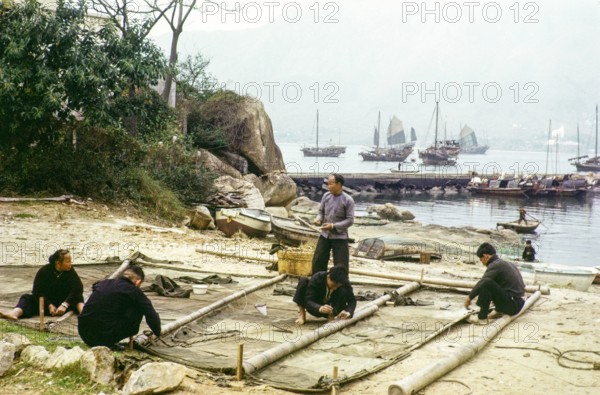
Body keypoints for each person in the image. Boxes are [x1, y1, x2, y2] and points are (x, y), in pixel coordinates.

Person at [78, 265, 161, 348]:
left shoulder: (103, 283)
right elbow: (151, 314)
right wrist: (158, 332)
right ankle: (113, 341)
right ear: (138, 282)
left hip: (84, 331)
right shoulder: (134, 291)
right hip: (103, 337)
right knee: (139, 306)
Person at [0, 249, 84, 320]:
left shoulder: (70, 271)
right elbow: (37, 292)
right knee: (26, 298)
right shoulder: (44, 271)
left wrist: (65, 304)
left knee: (78, 297)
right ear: (58, 263)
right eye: (68, 262)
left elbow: (78, 288)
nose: (70, 264)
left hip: (64, 303)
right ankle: (14, 313)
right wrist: (49, 305)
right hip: (46, 304)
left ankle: (85, 315)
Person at [464, 243, 526, 325]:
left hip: (513, 306)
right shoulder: (506, 263)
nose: (480, 261)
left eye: (480, 258)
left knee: (486, 283)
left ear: (486, 256)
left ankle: (482, 318)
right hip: (518, 302)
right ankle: (499, 310)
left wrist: (469, 297)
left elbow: (484, 281)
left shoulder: (495, 265)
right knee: (492, 282)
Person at [311, 173, 355, 274]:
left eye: (331, 184)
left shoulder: (348, 200)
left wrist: (333, 226)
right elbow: (320, 212)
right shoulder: (326, 196)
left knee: (341, 266)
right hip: (325, 235)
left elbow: (350, 220)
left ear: (339, 184)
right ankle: (318, 283)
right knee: (318, 262)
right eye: (328, 184)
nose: (328, 186)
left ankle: (341, 287)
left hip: (340, 237)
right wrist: (318, 219)